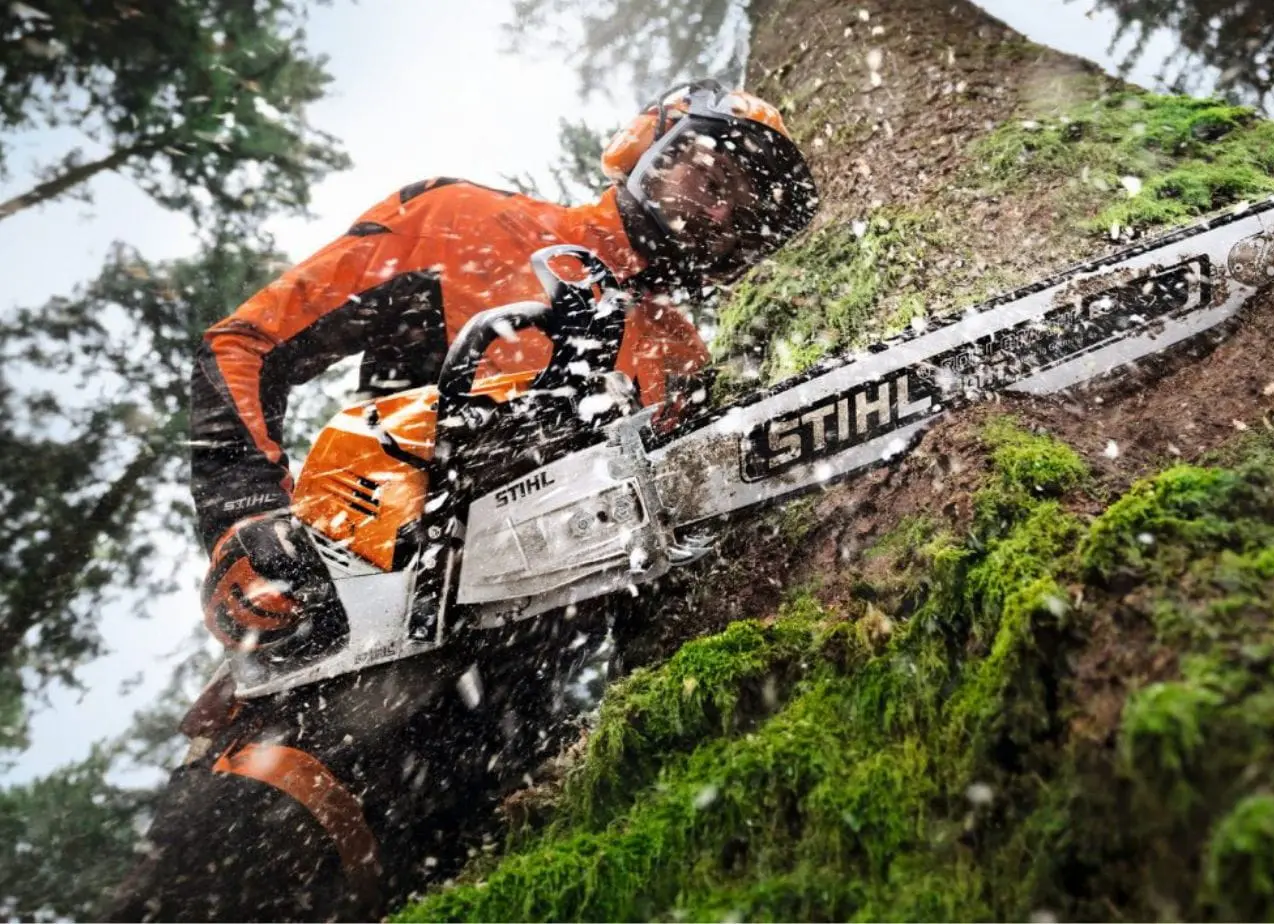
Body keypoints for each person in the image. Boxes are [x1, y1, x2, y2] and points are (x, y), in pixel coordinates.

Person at [102, 79, 818, 922]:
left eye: (746, 200)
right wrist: (244, 514)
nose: (721, 209)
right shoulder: (465, 222)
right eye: (709, 172)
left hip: (495, 735)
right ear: (648, 147)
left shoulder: (680, 357)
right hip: (342, 662)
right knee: (225, 876)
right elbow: (245, 345)